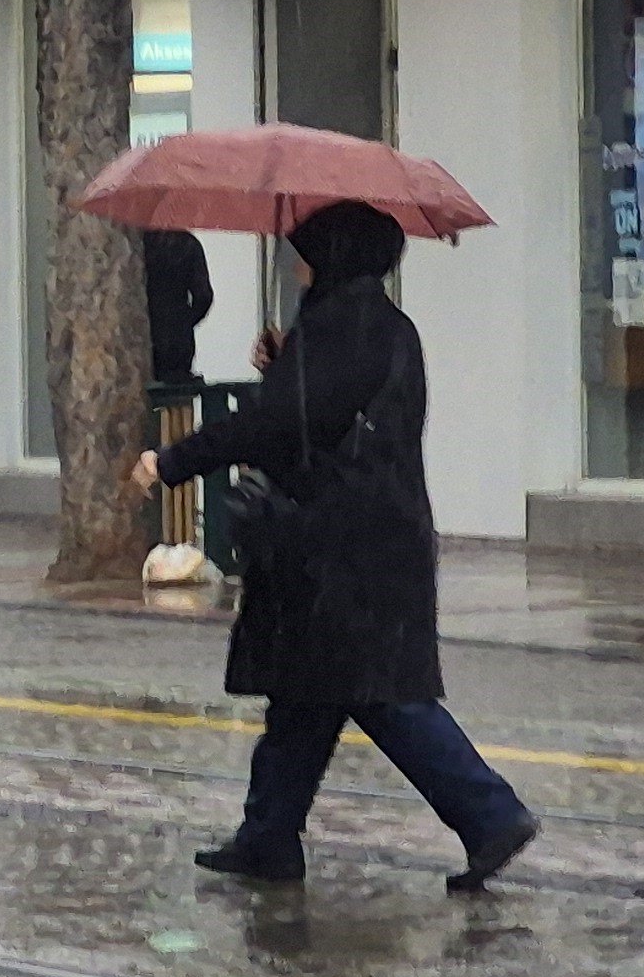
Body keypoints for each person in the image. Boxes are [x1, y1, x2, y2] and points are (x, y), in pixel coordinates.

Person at [133, 199, 537, 892]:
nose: (296, 265)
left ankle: (489, 813)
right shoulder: (381, 328)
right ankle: (268, 836)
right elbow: (318, 412)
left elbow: (274, 427)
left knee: (382, 696)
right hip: (364, 540)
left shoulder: (337, 332)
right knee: (301, 697)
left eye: (306, 251)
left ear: (333, 255)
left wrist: (171, 462)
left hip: (337, 551)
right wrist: (287, 363)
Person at [142, 228, 213, 387]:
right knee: (177, 400)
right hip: (178, 343)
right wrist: (183, 322)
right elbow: (204, 296)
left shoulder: (139, 243)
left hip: (144, 335)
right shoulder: (188, 244)